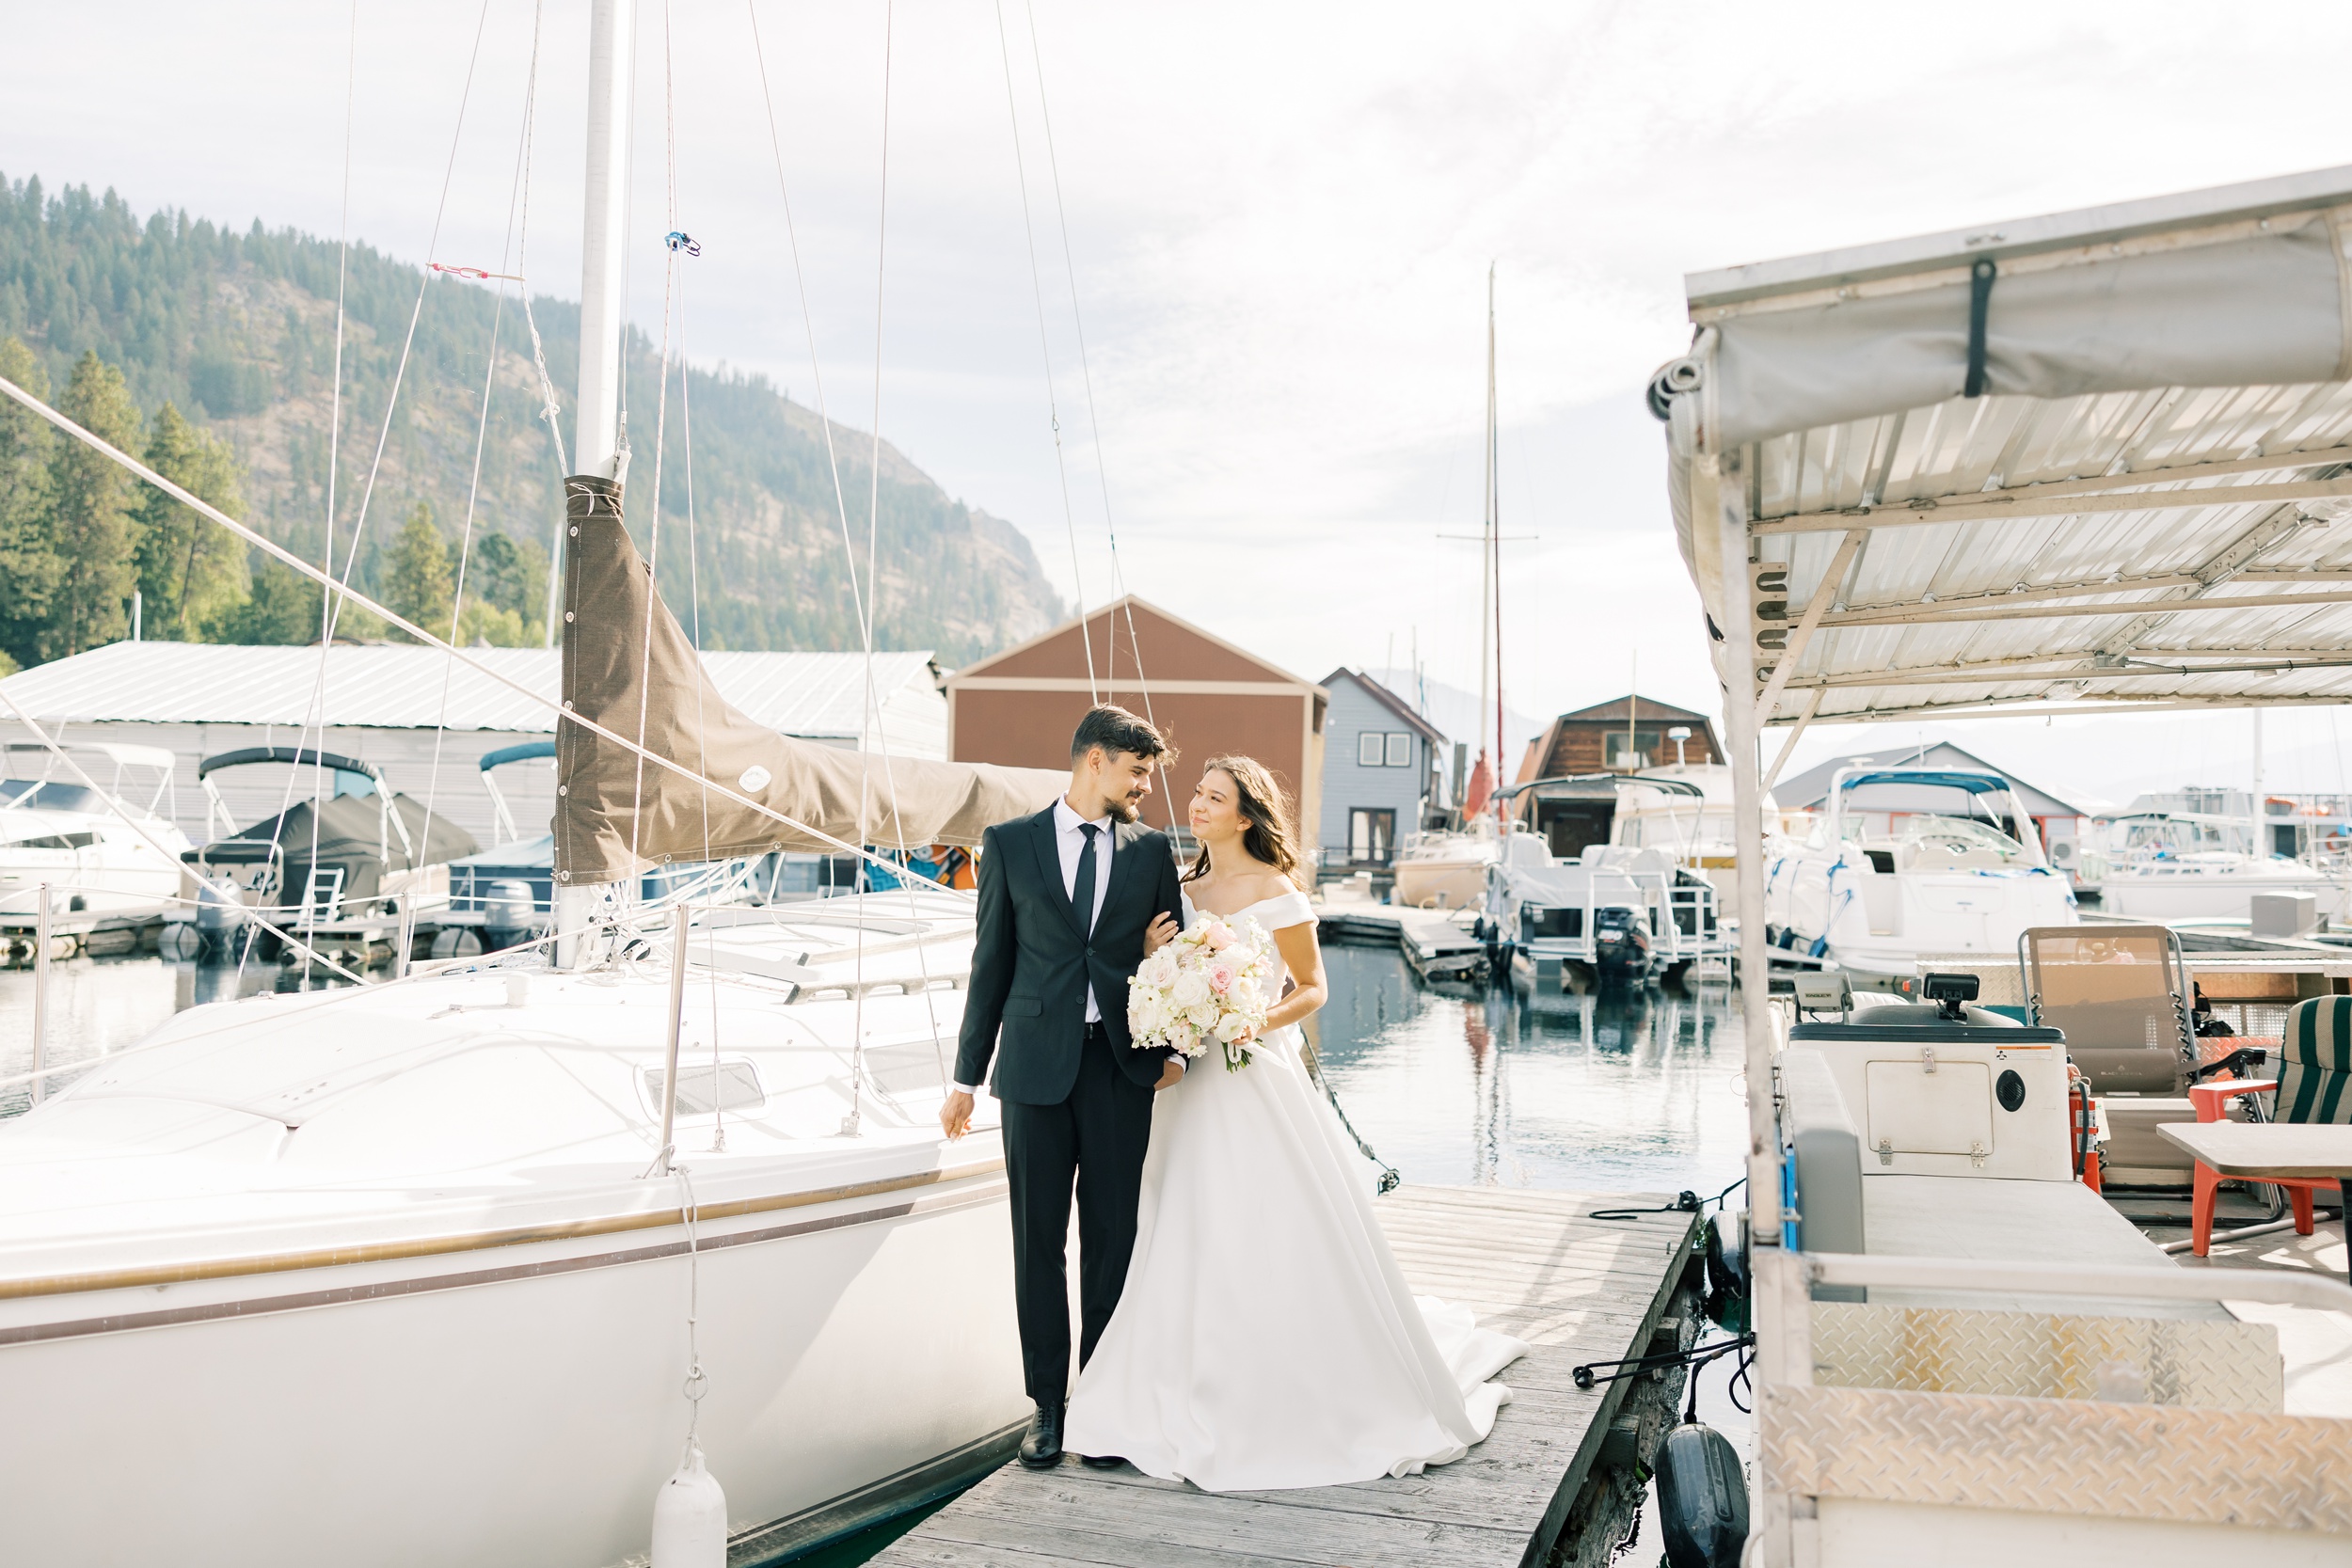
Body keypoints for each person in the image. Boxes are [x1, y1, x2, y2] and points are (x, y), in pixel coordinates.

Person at [1062, 755, 1528, 1490]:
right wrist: (1157, 959)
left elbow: (1313, 986)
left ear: (1246, 814)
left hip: (1254, 1073)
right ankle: (1169, 1385)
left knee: (1262, 1221)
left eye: (1215, 797)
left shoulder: (1276, 890)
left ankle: (1282, 1378)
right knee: (1181, 1220)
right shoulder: (1181, 888)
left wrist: (1249, 1018)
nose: (1199, 804)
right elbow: (1161, 973)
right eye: (1199, 794)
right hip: (1193, 1083)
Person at [943, 705, 1187, 1471]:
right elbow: (992, 965)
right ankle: (1048, 1407)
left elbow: (1175, 961)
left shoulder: (1152, 852)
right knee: (1037, 1242)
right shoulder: (1010, 844)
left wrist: (1175, 1046)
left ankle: (1103, 1402)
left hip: (1119, 1068)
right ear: (1094, 762)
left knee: (1112, 1239)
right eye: (1136, 770)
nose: (1145, 784)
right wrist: (965, 1078)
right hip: (1032, 1072)